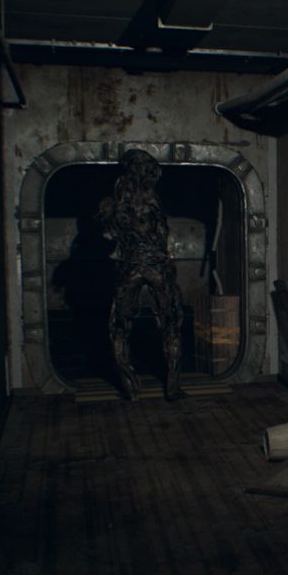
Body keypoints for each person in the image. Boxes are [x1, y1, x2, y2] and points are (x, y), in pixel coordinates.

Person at [96, 149, 185, 401]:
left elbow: (108, 236)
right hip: (157, 264)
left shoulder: (114, 202)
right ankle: (173, 388)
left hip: (129, 265)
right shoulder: (152, 200)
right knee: (171, 324)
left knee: (119, 327)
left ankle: (130, 387)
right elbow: (162, 235)